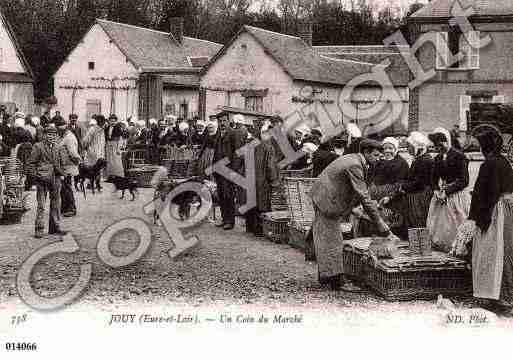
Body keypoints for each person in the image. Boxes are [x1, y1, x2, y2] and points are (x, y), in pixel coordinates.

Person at [309, 139, 398, 291]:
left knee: (325, 237)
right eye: (376, 155)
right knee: (333, 240)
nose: (378, 158)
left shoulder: (354, 159)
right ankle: (338, 281)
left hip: (323, 197)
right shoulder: (355, 165)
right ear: (366, 152)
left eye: (379, 155)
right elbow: (364, 197)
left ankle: (327, 276)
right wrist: (382, 225)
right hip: (327, 201)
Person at [468, 125, 513, 315]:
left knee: (494, 253)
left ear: (484, 145)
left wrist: (477, 218)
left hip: (496, 211)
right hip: (506, 209)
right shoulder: (502, 161)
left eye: (478, 144)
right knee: (505, 252)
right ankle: (505, 296)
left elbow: (487, 194)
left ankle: (501, 297)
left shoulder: (490, 164)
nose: (477, 148)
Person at [427, 127, 470, 253]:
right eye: (436, 146)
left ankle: (459, 249)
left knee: (457, 221)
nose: (439, 148)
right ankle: (444, 248)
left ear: (448, 141)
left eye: (441, 144)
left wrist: (447, 191)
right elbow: (433, 179)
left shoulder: (459, 156)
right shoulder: (437, 159)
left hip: (456, 194)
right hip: (442, 195)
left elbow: (464, 180)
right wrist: (436, 190)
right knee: (441, 225)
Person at [27, 126, 67, 238]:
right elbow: (31, 163)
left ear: (56, 136)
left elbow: (61, 162)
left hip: (56, 178)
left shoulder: (58, 147)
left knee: (56, 204)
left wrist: (63, 174)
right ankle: (39, 229)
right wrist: (36, 177)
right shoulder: (38, 146)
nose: (51, 137)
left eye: (54, 135)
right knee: (41, 205)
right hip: (42, 179)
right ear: (45, 135)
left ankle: (55, 228)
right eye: (49, 134)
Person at [244, 124, 280, 236]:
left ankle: (250, 227)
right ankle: (259, 229)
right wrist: (274, 180)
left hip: (250, 177)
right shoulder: (269, 147)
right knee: (262, 203)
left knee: (251, 201)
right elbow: (270, 166)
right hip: (262, 179)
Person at [213, 114, 246, 230]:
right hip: (219, 170)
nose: (222, 123)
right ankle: (224, 219)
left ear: (229, 121)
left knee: (229, 195)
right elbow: (216, 153)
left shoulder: (234, 134)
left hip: (229, 170)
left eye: (224, 121)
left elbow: (238, 154)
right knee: (221, 195)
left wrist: (233, 171)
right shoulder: (218, 135)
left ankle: (230, 221)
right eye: (220, 121)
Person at [401, 131, 435, 228]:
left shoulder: (425, 161)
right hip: (417, 196)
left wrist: (403, 186)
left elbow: (419, 183)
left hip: (420, 197)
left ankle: (421, 242)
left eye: (409, 146)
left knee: (419, 222)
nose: (407, 149)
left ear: (418, 146)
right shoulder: (419, 159)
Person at [56, 117, 81, 217]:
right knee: (63, 188)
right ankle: (64, 208)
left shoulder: (69, 137)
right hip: (64, 166)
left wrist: (77, 162)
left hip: (68, 165)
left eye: (58, 129)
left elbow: (73, 153)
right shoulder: (63, 136)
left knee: (67, 187)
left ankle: (71, 208)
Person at [82, 116, 106, 190]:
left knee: (99, 168)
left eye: (103, 121)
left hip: (100, 151)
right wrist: (86, 148)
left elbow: (103, 141)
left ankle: (98, 183)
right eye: (101, 121)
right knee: (91, 168)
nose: (102, 123)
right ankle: (89, 183)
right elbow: (86, 140)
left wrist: (102, 150)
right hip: (92, 151)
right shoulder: (92, 129)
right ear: (98, 121)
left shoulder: (102, 130)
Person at [104, 114, 125, 180]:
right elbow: (105, 138)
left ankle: (118, 176)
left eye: (114, 121)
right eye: (111, 121)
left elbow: (120, 139)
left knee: (116, 161)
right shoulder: (107, 128)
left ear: (116, 121)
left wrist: (118, 148)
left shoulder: (118, 128)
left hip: (115, 145)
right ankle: (109, 176)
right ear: (109, 121)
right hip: (108, 145)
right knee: (109, 161)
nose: (112, 122)